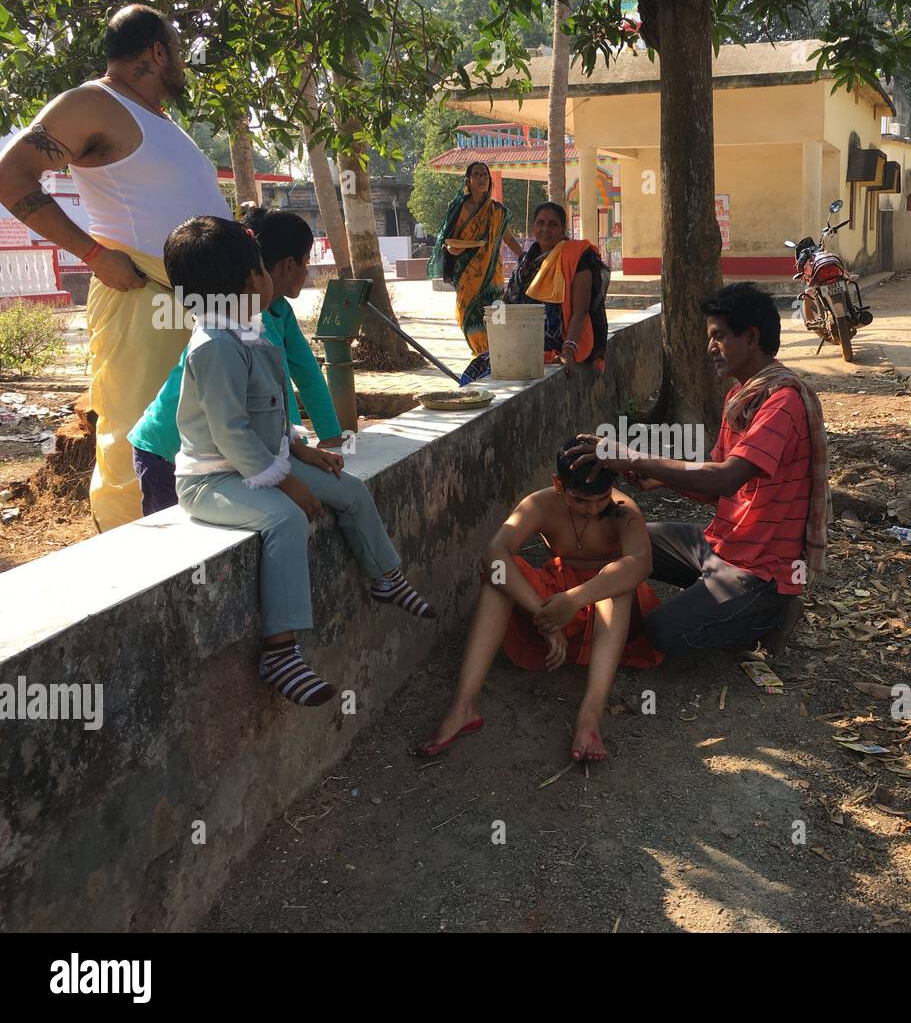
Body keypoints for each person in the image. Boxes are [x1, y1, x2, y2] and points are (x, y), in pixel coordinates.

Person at [167, 216, 435, 707]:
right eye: (261, 271)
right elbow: (230, 432)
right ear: (251, 280)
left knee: (350, 490)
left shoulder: (249, 333)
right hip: (212, 481)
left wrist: (300, 448)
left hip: (260, 464)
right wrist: (285, 481)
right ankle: (280, 649)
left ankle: (385, 576)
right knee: (286, 520)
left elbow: (268, 413)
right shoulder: (216, 348)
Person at [0, 4, 233, 531]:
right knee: (138, 435)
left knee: (202, 434)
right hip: (139, 293)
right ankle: (130, 564)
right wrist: (95, 256)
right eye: (177, 49)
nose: (182, 64)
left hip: (201, 301)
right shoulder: (92, 103)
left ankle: (192, 556)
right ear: (156, 51)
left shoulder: (161, 122)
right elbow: (12, 177)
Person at [568, 281, 828, 655]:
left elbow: (726, 477)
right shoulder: (740, 398)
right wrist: (658, 479)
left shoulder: (782, 402)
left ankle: (773, 611)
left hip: (759, 572)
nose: (710, 348)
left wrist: (631, 456)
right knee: (617, 537)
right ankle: (711, 596)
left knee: (662, 633)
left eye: (718, 336)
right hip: (718, 547)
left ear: (751, 337)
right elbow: (716, 486)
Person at [414, 437, 661, 762]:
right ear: (559, 485)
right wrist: (543, 616)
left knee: (618, 580)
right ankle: (464, 705)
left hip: (605, 617)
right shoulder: (541, 503)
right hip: (555, 608)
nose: (591, 509)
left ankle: (589, 716)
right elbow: (494, 554)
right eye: (580, 500)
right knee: (499, 574)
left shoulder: (624, 511)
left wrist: (575, 599)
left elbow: (640, 563)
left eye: (600, 499)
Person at [129, 207, 343, 515]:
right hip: (168, 449)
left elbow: (305, 374)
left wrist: (331, 438)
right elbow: (269, 398)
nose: (308, 270)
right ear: (287, 265)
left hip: (228, 452)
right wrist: (288, 455)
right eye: (307, 262)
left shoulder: (277, 309)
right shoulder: (243, 318)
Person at [427, 161, 522, 384]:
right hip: (467, 276)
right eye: (476, 174)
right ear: (467, 180)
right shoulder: (458, 207)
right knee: (470, 321)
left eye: (485, 175)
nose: (482, 178)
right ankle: (482, 359)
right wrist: (453, 249)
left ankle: (492, 362)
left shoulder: (497, 211)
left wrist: (525, 257)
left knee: (496, 319)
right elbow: (449, 240)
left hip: (493, 277)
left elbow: (507, 238)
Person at [503, 201, 610, 377]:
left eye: (553, 224)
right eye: (541, 223)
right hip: (522, 342)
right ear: (533, 227)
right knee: (475, 371)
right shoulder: (526, 262)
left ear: (563, 230)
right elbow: (511, 302)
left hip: (556, 342)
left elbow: (580, 311)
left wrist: (569, 348)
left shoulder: (577, 257)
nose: (546, 229)